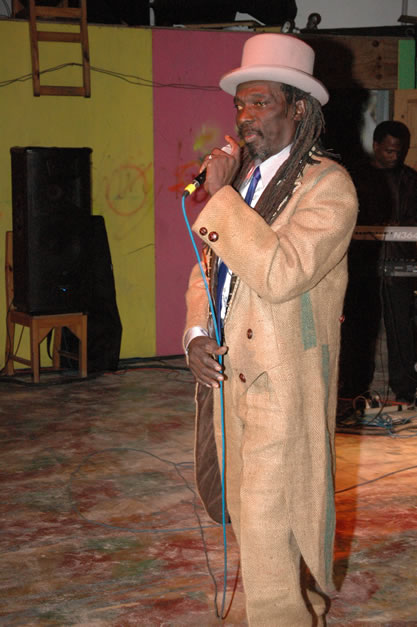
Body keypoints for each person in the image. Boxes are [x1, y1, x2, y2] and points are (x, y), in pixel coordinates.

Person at [183, 33, 358, 625]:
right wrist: (195, 335)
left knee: (264, 518)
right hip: (229, 381)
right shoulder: (246, 186)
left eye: (261, 102)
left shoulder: (328, 187)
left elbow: (281, 273)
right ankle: (294, 606)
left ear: (299, 109)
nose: (245, 115)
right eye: (241, 103)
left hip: (281, 386)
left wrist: (220, 197)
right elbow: (207, 270)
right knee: (252, 516)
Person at [339, 120, 417, 405]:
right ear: (375, 146)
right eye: (388, 151)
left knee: (402, 330)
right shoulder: (356, 177)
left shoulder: (411, 181)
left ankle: (405, 391)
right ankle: (353, 390)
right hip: (363, 268)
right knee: (358, 330)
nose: (394, 156)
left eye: (399, 151)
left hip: (400, 266)